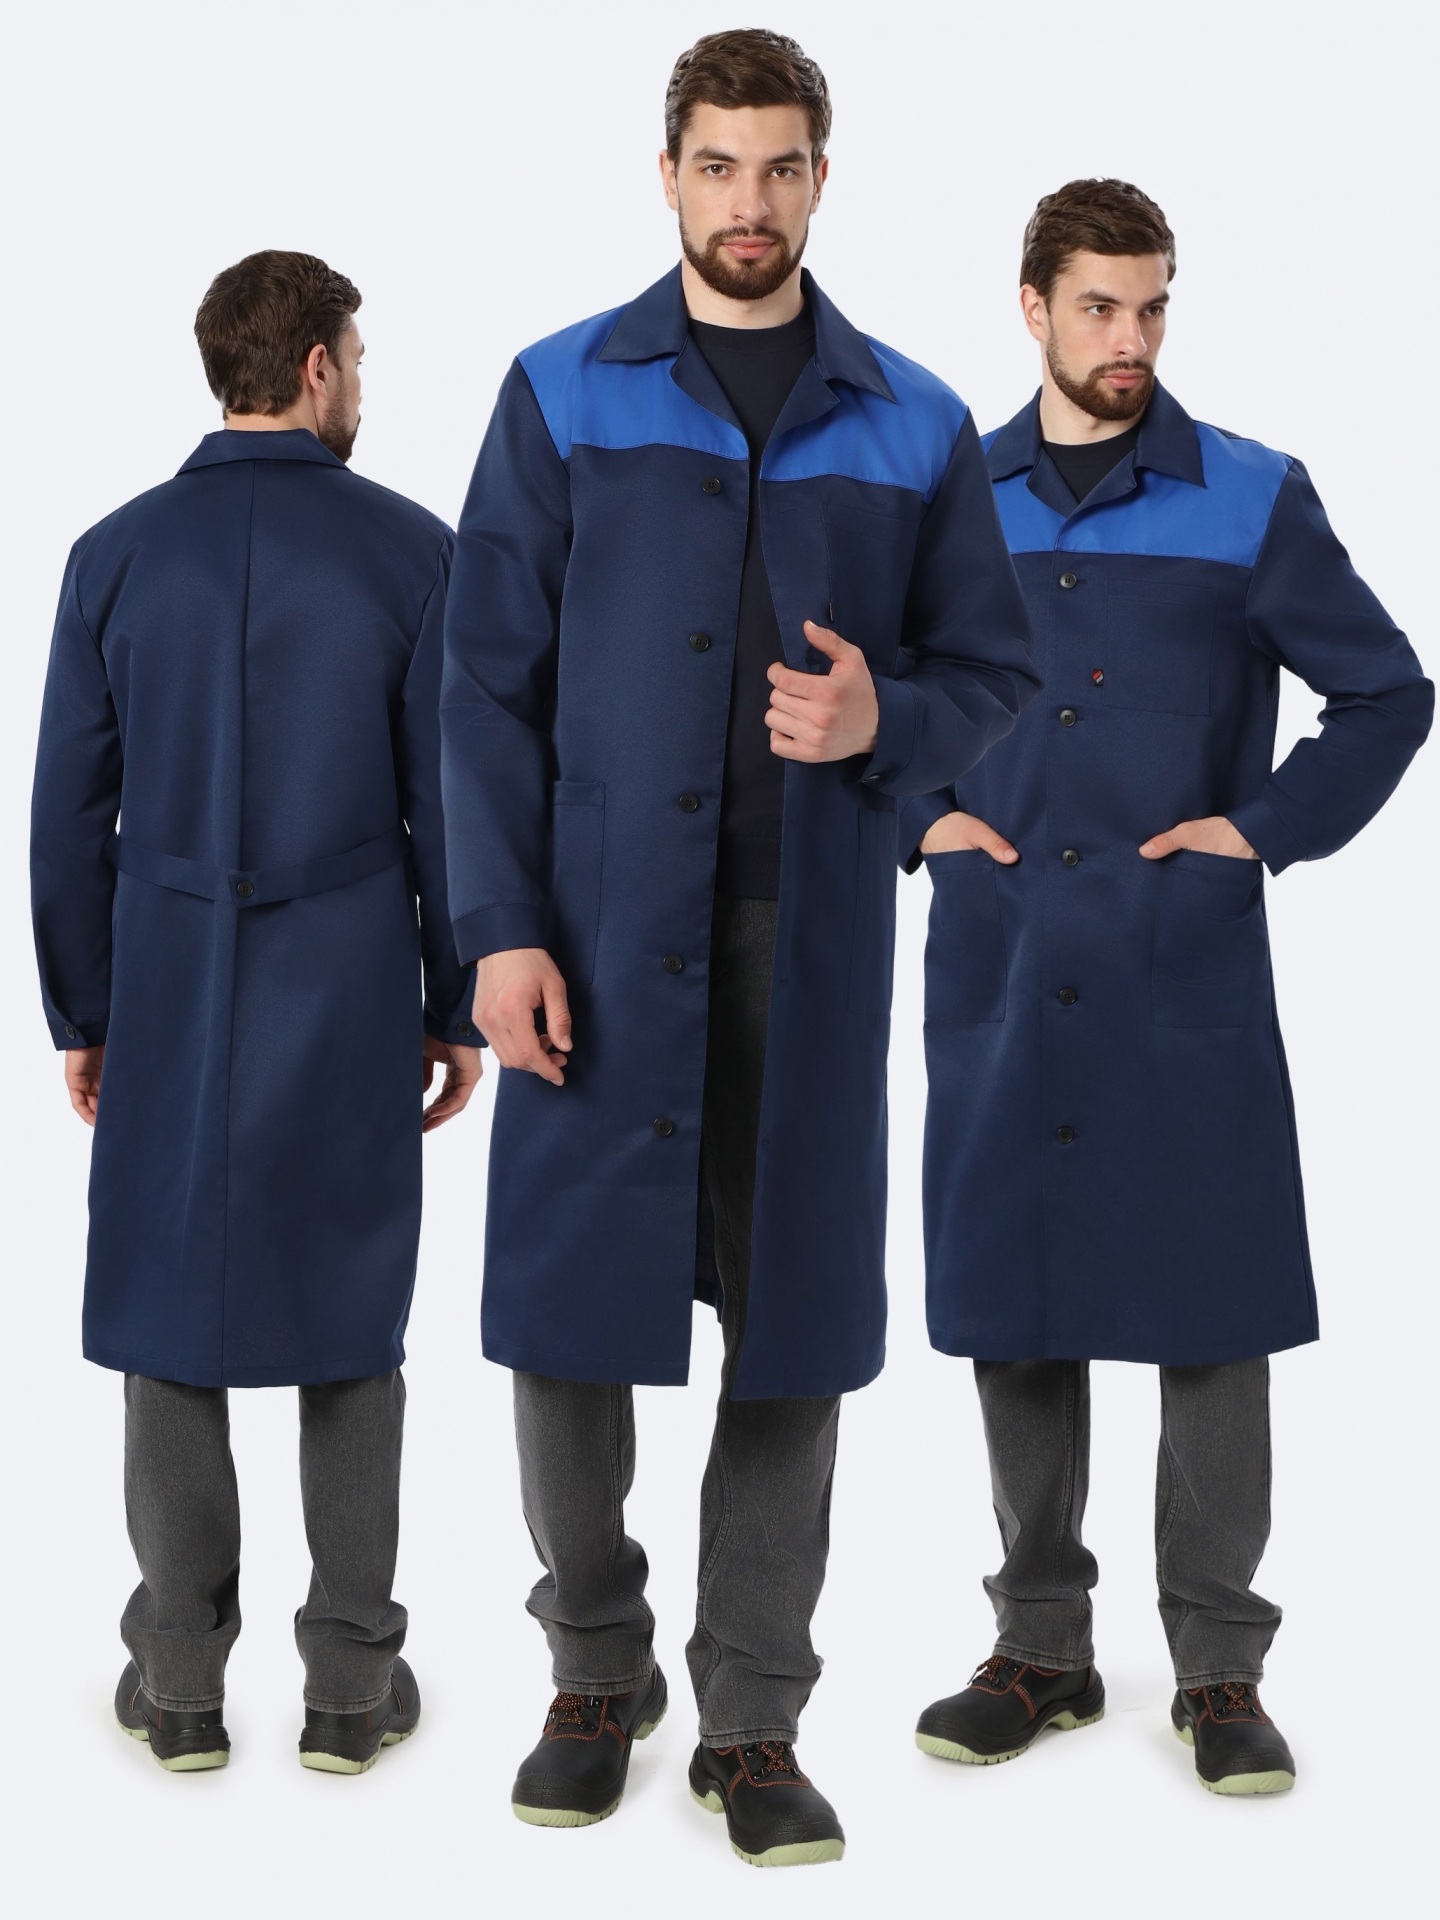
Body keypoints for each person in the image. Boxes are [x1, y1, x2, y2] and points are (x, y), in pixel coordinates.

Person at [441, 28, 1037, 1866]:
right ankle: (594, 1673)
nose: (750, 201)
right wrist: (497, 935)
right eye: (719, 165)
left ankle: (754, 1715)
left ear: (822, 180)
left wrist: (886, 723)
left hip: (810, 933)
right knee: (568, 1318)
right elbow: (479, 688)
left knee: (792, 1332)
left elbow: (993, 671)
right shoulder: (559, 392)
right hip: (597, 935)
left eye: (781, 167)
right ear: (669, 175)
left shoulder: (917, 419)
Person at [902, 178, 1432, 1796]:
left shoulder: (1251, 494)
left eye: (1151, 308)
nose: (1129, 339)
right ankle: (1041, 1646)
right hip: (1004, 960)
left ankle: (1218, 1664)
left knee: (1212, 1311)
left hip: (1176, 966)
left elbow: (1387, 692)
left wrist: (1258, 832)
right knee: (1016, 1304)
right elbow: (860, 693)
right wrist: (915, 817)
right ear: (1033, 308)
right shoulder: (944, 496)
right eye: (1099, 308)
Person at [30, 250, 481, 1775]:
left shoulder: (111, 555)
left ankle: (179, 1686)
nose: (361, 384)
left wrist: (84, 1010)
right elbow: (447, 806)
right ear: (314, 369)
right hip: (347, 976)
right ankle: (349, 1688)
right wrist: (454, 999)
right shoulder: (413, 554)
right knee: (350, 1321)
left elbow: (63, 815)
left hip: (166, 976)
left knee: (171, 1318)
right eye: (358, 357)